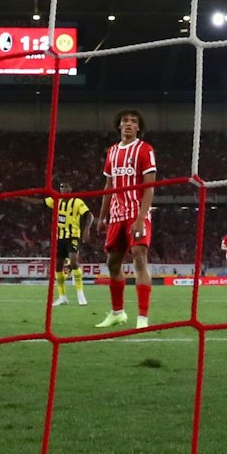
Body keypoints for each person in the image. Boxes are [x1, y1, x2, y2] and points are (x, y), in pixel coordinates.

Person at [95, 109, 157, 330]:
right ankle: (117, 313)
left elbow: (149, 187)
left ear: (138, 127)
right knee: (112, 263)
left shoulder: (145, 149)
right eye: (125, 121)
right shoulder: (112, 152)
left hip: (136, 212)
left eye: (133, 121)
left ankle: (142, 317)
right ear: (119, 125)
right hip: (116, 215)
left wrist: (140, 218)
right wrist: (102, 217)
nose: (129, 124)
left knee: (139, 256)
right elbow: (108, 187)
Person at [46, 182, 92, 307]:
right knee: (58, 267)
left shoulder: (77, 202)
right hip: (59, 237)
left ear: (71, 188)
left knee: (73, 261)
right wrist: (20, 196)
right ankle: (62, 297)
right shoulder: (56, 200)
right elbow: (39, 202)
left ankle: (80, 294)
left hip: (72, 236)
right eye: (61, 187)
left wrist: (86, 229)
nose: (63, 189)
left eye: (65, 186)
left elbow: (89, 215)